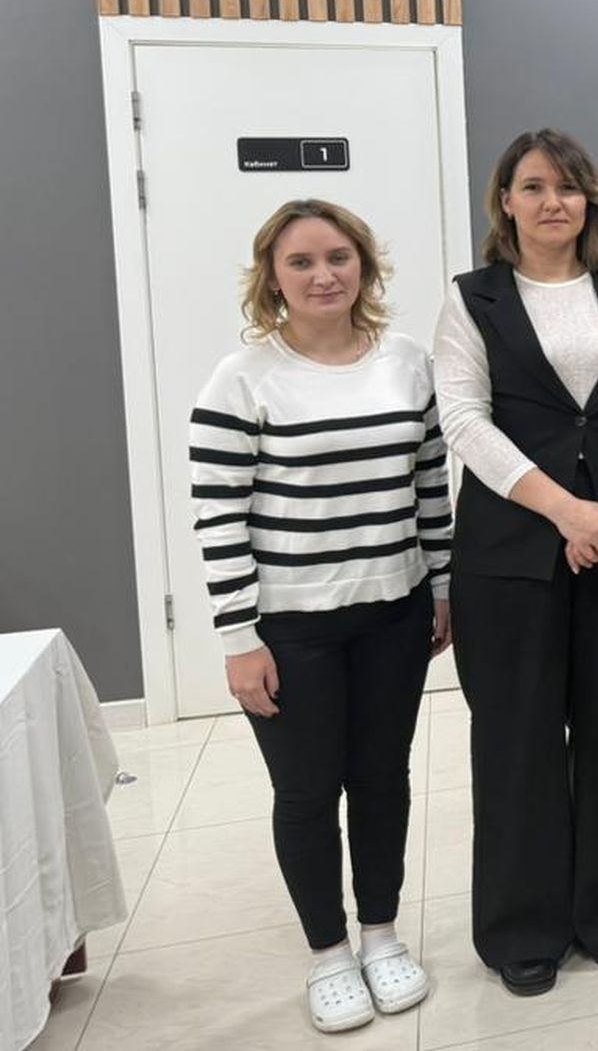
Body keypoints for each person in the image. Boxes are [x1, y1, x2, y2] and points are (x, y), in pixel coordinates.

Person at [190, 199, 450, 1034]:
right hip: (291, 629)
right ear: (272, 277)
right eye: (300, 262)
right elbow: (219, 519)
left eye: (338, 257)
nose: (323, 275)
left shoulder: (408, 364)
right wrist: (239, 640)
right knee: (306, 792)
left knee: (382, 779)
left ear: (364, 267)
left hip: (394, 614)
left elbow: (431, 487)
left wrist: (442, 589)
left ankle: (380, 934)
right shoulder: (243, 379)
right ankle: (329, 953)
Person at [433, 130, 598, 995]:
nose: (552, 202)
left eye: (568, 187)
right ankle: (521, 928)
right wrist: (567, 511)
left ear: (589, 201)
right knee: (518, 740)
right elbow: (464, 421)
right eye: (533, 187)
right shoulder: (474, 299)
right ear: (505, 201)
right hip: (509, 557)